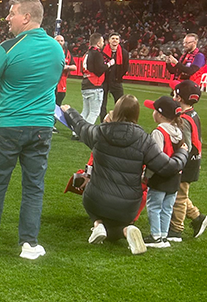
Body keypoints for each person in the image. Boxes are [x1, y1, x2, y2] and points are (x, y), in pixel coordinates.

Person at [0, 0, 64, 260]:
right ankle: (29, 242)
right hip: (41, 125)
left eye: (11, 14)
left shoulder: (7, 47)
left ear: (26, 17)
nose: (7, 19)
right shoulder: (56, 48)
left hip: (9, 124)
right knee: (34, 185)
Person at [62, 94, 187, 254]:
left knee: (91, 201)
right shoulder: (144, 139)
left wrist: (69, 111)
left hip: (97, 199)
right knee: (119, 220)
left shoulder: (100, 132)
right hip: (128, 206)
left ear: (117, 111)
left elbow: (81, 126)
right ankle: (126, 230)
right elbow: (168, 167)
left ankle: (98, 224)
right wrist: (182, 152)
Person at [143, 96, 187, 247]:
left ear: (160, 115)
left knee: (154, 206)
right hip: (175, 177)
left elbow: (155, 158)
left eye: (154, 110)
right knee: (167, 207)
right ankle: (163, 235)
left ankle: (156, 237)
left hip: (159, 177)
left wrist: (146, 176)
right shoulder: (179, 131)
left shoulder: (159, 132)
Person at [169, 79, 207, 241]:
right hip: (193, 160)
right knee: (180, 193)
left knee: (179, 197)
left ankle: (176, 229)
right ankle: (198, 218)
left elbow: (186, 144)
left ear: (179, 98)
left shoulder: (183, 119)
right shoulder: (192, 113)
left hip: (186, 161)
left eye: (175, 93)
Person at [79, 33, 108, 128]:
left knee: (85, 111)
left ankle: (76, 131)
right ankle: (85, 132)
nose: (103, 43)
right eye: (102, 41)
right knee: (94, 112)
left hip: (85, 84)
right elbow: (99, 70)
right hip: (94, 85)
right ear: (99, 43)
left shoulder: (86, 54)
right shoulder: (97, 54)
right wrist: (109, 65)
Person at [100, 32, 130, 120]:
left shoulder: (124, 53)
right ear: (109, 40)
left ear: (119, 41)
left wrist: (118, 77)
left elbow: (125, 67)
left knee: (120, 103)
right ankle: (103, 121)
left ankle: (119, 121)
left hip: (116, 81)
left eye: (117, 39)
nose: (114, 40)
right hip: (104, 81)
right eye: (113, 38)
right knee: (102, 104)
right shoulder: (102, 52)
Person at [54, 34, 76, 132]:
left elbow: (74, 67)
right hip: (51, 83)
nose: (60, 42)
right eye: (58, 40)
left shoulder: (67, 53)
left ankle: (52, 124)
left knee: (58, 104)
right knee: (50, 104)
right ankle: (47, 124)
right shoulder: (50, 51)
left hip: (62, 84)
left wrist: (66, 67)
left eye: (61, 41)